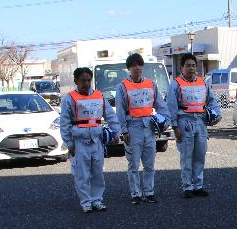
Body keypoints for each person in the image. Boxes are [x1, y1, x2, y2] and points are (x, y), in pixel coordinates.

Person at [60, 67, 120, 213]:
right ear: (76, 81)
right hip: (79, 142)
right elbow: (64, 122)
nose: (86, 83)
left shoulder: (99, 96)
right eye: (83, 81)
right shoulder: (70, 98)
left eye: (88, 80)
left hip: (97, 141)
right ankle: (86, 202)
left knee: (97, 172)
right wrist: (69, 143)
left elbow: (110, 115)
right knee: (82, 174)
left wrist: (116, 132)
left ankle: (97, 200)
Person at [115, 53, 171, 204]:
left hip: (149, 127)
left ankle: (149, 192)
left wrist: (165, 121)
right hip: (132, 128)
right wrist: (124, 130)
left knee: (149, 163)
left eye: (139, 65)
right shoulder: (122, 86)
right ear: (129, 68)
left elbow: (161, 105)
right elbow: (119, 110)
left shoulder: (151, 84)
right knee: (133, 163)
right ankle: (136, 194)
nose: (137, 68)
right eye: (133, 65)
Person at [166, 53, 221, 198]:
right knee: (186, 156)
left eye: (194, 65)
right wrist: (175, 126)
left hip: (201, 122)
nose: (191, 68)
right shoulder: (176, 84)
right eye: (188, 65)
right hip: (185, 122)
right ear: (181, 68)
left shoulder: (203, 83)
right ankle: (187, 187)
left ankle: (198, 185)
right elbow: (171, 107)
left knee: (200, 155)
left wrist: (217, 114)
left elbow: (212, 101)